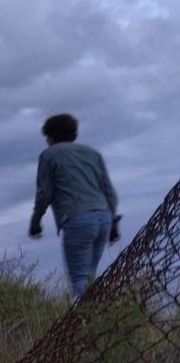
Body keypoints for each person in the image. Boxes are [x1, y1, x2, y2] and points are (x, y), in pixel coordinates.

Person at [28, 113, 120, 297]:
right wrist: (113, 226)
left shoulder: (48, 155)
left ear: (50, 136)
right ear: (74, 134)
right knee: (89, 278)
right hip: (103, 218)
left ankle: (93, 319)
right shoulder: (92, 154)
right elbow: (110, 192)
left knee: (79, 279)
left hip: (77, 219)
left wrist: (35, 222)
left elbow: (44, 193)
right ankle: (101, 315)